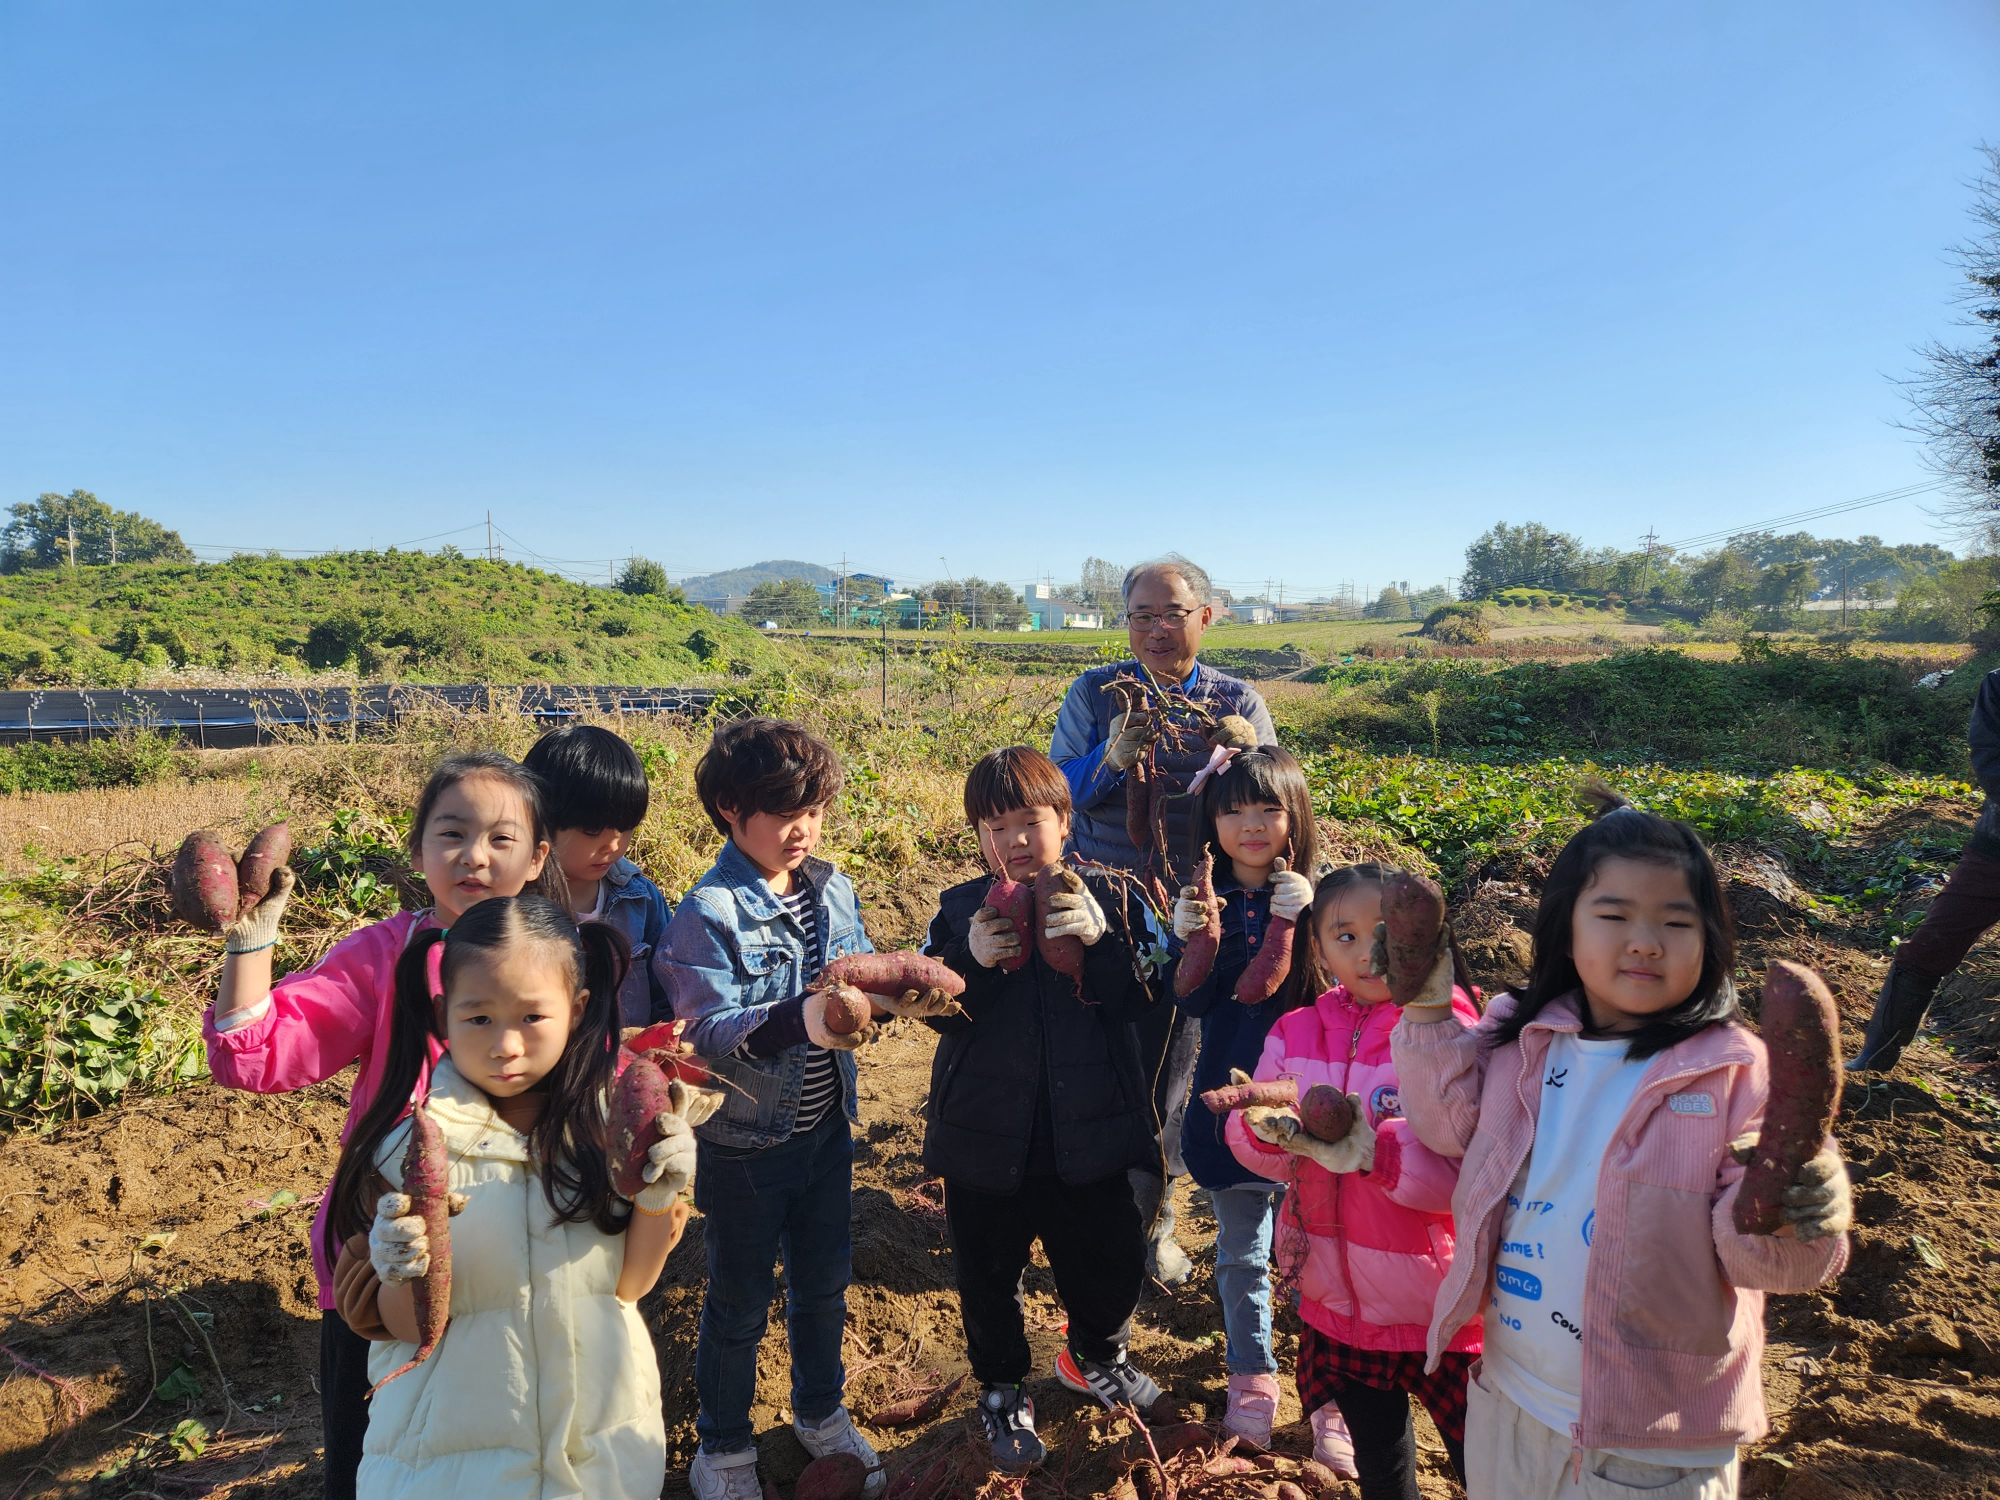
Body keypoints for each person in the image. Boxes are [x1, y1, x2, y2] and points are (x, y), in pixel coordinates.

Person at [1392, 786, 1853, 1499]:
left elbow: (1765, 1263)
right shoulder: (1524, 1038)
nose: (1645, 940)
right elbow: (1447, 1125)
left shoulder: (1734, 1070)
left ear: (1711, 941)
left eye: (1677, 921)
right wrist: (1426, 1007)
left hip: (1656, 1443)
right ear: (1565, 929)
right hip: (1512, 1400)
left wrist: (1802, 1197)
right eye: (1614, 915)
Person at [202, 750, 564, 1500]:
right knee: (375, 1469)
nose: (474, 856)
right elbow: (256, 1057)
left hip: (520, 1262)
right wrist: (250, 940)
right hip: (381, 1259)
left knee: (505, 1458)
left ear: (537, 858)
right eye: (452, 834)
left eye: (502, 839)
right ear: (420, 850)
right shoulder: (381, 958)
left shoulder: (557, 959)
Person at [662, 717, 954, 1500]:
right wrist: (802, 1018)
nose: (804, 830)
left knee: (824, 1283)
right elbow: (704, 1034)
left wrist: (900, 998)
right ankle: (721, 1446)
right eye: (786, 813)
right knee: (738, 1301)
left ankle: (819, 1410)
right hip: (746, 1146)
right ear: (729, 807)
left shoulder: (834, 887)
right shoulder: (708, 914)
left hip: (826, 1132)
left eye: (816, 811)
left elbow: (858, 987)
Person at [325, 895, 703, 1498]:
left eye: (532, 1018)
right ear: (444, 1014)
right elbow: (408, 1331)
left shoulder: (609, 1131)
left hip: (599, 1458)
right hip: (448, 1470)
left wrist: (658, 1195)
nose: (505, 1044)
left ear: (577, 1012)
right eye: (480, 1019)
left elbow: (630, 1285)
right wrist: (399, 1268)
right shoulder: (404, 1152)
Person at [921, 746, 1170, 1470]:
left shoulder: (1116, 896)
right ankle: (1002, 1389)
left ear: (1064, 821)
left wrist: (1101, 945)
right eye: (994, 827)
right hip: (986, 1133)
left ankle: (1097, 1354)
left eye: (1028, 821)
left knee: (1111, 1259)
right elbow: (934, 1013)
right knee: (988, 1273)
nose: (1014, 842)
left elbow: (1149, 999)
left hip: (1089, 1129)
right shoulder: (959, 907)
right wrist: (966, 964)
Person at [1049, 554, 1275, 1286]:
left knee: (1179, 1070)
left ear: (1207, 618)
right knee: (1101, 1062)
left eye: (1171, 613)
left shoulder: (1237, 697)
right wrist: (1112, 761)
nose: (1155, 628)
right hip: (1107, 907)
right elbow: (1059, 796)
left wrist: (1250, 757)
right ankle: (1087, 1216)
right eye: (1140, 615)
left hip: (1199, 912)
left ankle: (1158, 1222)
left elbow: (1274, 804)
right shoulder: (1094, 694)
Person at [1227, 866, 1481, 1499]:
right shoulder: (1296, 1030)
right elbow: (1258, 1150)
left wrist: (1378, 1157)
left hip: (1439, 1305)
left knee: (1488, 1462)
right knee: (1383, 1467)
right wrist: (1267, 1133)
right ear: (1318, 948)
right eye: (1345, 935)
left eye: (1385, 934)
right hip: (1339, 1305)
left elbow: (1472, 1164)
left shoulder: (1447, 1028)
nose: (1368, 953)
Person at [1169, 745, 1325, 1448]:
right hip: (1228, 1103)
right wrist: (1192, 940)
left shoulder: (1326, 901)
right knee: (1240, 1251)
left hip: (1310, 1107)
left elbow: (1344, 997)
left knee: (1325, 1252)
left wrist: (1313, 924)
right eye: (1234, 811)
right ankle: (1252, 1374)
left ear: (1296, 817)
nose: (1252, 825)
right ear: (1212, 823)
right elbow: (1197, 998)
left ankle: (1331, 1392)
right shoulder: (1210, 902)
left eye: (1269, 808)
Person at [1850, 665, 2000, 1070]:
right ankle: (1876, 1056)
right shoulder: (1999, 684)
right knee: (1929, 946)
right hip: (1994, 852)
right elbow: (1989, 759)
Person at [522, 723, 676, 1028]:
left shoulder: (641, 900)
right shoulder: (514, 904)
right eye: (592, 831)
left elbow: (667, 993)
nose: (614, 844)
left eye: (625, 828)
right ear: (540, 817)